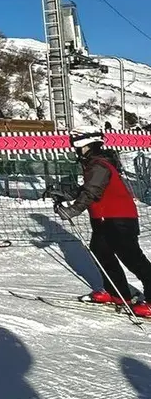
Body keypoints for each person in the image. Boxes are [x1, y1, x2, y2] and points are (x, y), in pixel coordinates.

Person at [53, 132, 151, 317]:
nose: (76, 151)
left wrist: (72, 210)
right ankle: (118, 293)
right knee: (101, 253)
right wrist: (65, 194)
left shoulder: (99, 165)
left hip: (120, 219)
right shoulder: (93, 164)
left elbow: (92, 191)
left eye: (78, 147)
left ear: (87, 146)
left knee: (133, 259)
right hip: (104, 219)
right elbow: (88, 188)